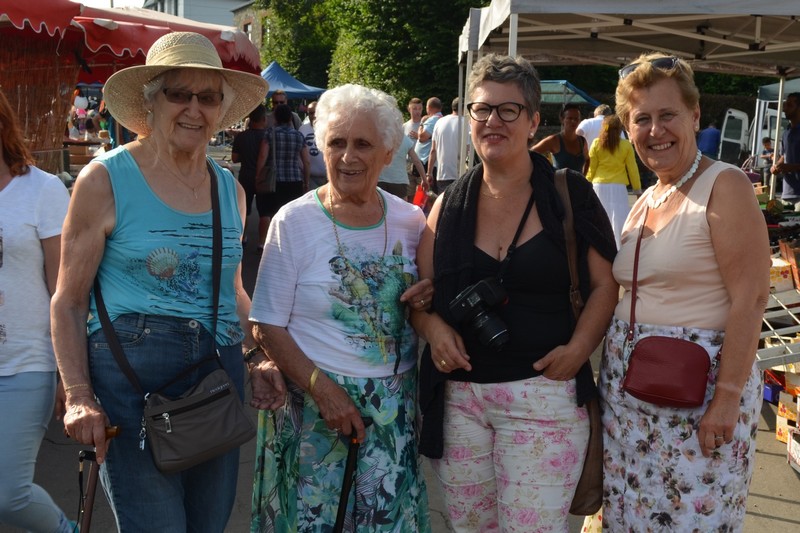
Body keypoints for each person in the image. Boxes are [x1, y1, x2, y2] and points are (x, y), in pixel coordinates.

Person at [50, 32, 268, 532]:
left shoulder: (229, 189)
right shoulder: (106, 180)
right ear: (151, 102)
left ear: (221, 110)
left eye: (207, 97)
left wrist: (259, 356)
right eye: (179, 94)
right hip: (131, 383)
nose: (194, 109)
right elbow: (69, 301)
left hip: (218, 375)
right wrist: (78, 393)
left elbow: (233, 293)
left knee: (209, 525)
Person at [413, 54, 618, 531]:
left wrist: (579, 349)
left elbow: (606, 285)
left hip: (544, 398)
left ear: (532, 121)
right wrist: (433, 329)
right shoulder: (447, 205)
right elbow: (420, 298)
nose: (493, 121)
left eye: (509, 110)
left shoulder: (569, 194)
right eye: (482, 109)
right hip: (461, 404)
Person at [247, 83, 433, 531]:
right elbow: (266, 324)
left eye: (362, 144)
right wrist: (323, 391)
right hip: (314, 409)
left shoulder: (411, 221)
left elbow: (424, 311)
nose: (348, 156)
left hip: (392, 413)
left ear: (387, 153)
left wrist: (428, 298)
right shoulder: (294, 221)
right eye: (336, 143)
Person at [600, 52, 769, 531]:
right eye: (641, 119)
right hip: (631, 403)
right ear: (627, 129)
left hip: (698, 401)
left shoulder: (724, 184)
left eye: (667, 115)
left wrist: (727, 397)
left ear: (694, 116)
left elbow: (752, 297)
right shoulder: (647, 198)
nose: (656, 130)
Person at [0, 87, 73, 533]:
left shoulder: (41, 190)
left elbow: (63, 289)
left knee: (8, 494)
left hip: (24, 363)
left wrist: (70, 375)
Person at [254, 103, 310, 250]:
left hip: (274, 181)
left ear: (276, 118)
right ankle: (289, 246)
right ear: (290, 118)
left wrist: (259, 176)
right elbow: (306, 161)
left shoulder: (270, 133)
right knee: (291, 215)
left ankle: (265, 244)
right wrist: (306, 182)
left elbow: (262, 156)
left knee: (269, 212)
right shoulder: (298, 136)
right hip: (294, 180)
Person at [586, 114, 642, 249]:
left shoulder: (596, 143)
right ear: (619, 129)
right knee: (619, 220)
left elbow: (591, 168)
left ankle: (600, 248)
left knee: (600, 218)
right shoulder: (626, 145)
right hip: (618, 187)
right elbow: (632, 169)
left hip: (599, 185)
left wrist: (586, 184)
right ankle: (620, 249)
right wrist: (637, 189)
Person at [232, 104, 267, 247]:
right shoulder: (268, 136)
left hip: (246, 174)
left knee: (244, 208)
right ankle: (262, 242)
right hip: (264, 176)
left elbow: (234, 158)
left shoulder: (242, 136)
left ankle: (243, 237)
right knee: (264, 212)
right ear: (264, 119)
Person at [532, 102, 590, 174]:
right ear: (562, 119)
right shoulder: (554, 140)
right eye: (570, 118)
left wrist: (584, 177)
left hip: (579, 181)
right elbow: (530, 153)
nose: (573, 121)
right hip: (558, 181)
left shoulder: (582, 141)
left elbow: (588, 159)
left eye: (576, 118)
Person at [427, 97, 469, 194]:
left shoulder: (439, 122)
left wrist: (429, 173)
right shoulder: (466, 123)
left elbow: (433, 150)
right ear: (464, 108)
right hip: (460, 174)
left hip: (442, 174)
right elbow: (468, 150)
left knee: (443, 201)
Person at [379, 125, 426, 199]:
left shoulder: (380, 138)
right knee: (400, 205)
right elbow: (417, 161)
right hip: (399, 181)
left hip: (380, 180)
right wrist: (424, 179)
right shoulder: (405, 139)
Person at [772, 93, 800, 209]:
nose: (785, 109)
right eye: (785, 105)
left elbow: (789, 165)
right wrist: (777, 165)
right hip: (787, 193)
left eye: (789, 105)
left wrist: (789, 167)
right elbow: (784, 155)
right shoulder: (786, 132)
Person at [298, 100, 327, 188]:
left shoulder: (329, 127)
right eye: (311, 113)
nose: (314, 115)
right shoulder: (302, 129)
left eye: (316, 112)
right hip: (309, 178)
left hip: (327, 178)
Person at [414, 97, 443, 178]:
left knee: (423, 184)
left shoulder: (433, 120)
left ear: (429, 107)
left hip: (425, 160)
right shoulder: (441, 119)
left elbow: (422, 137)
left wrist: (421, 124)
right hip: (429, 159)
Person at [404, 97, 424, 199]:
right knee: (409, 195)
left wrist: (419, 137)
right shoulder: (404, 126)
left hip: (421, 164)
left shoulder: (425, 125)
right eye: (414, 108)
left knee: (422, 195)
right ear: (409, 109)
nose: (417, 111)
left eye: (419, 109)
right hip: (408, 164)